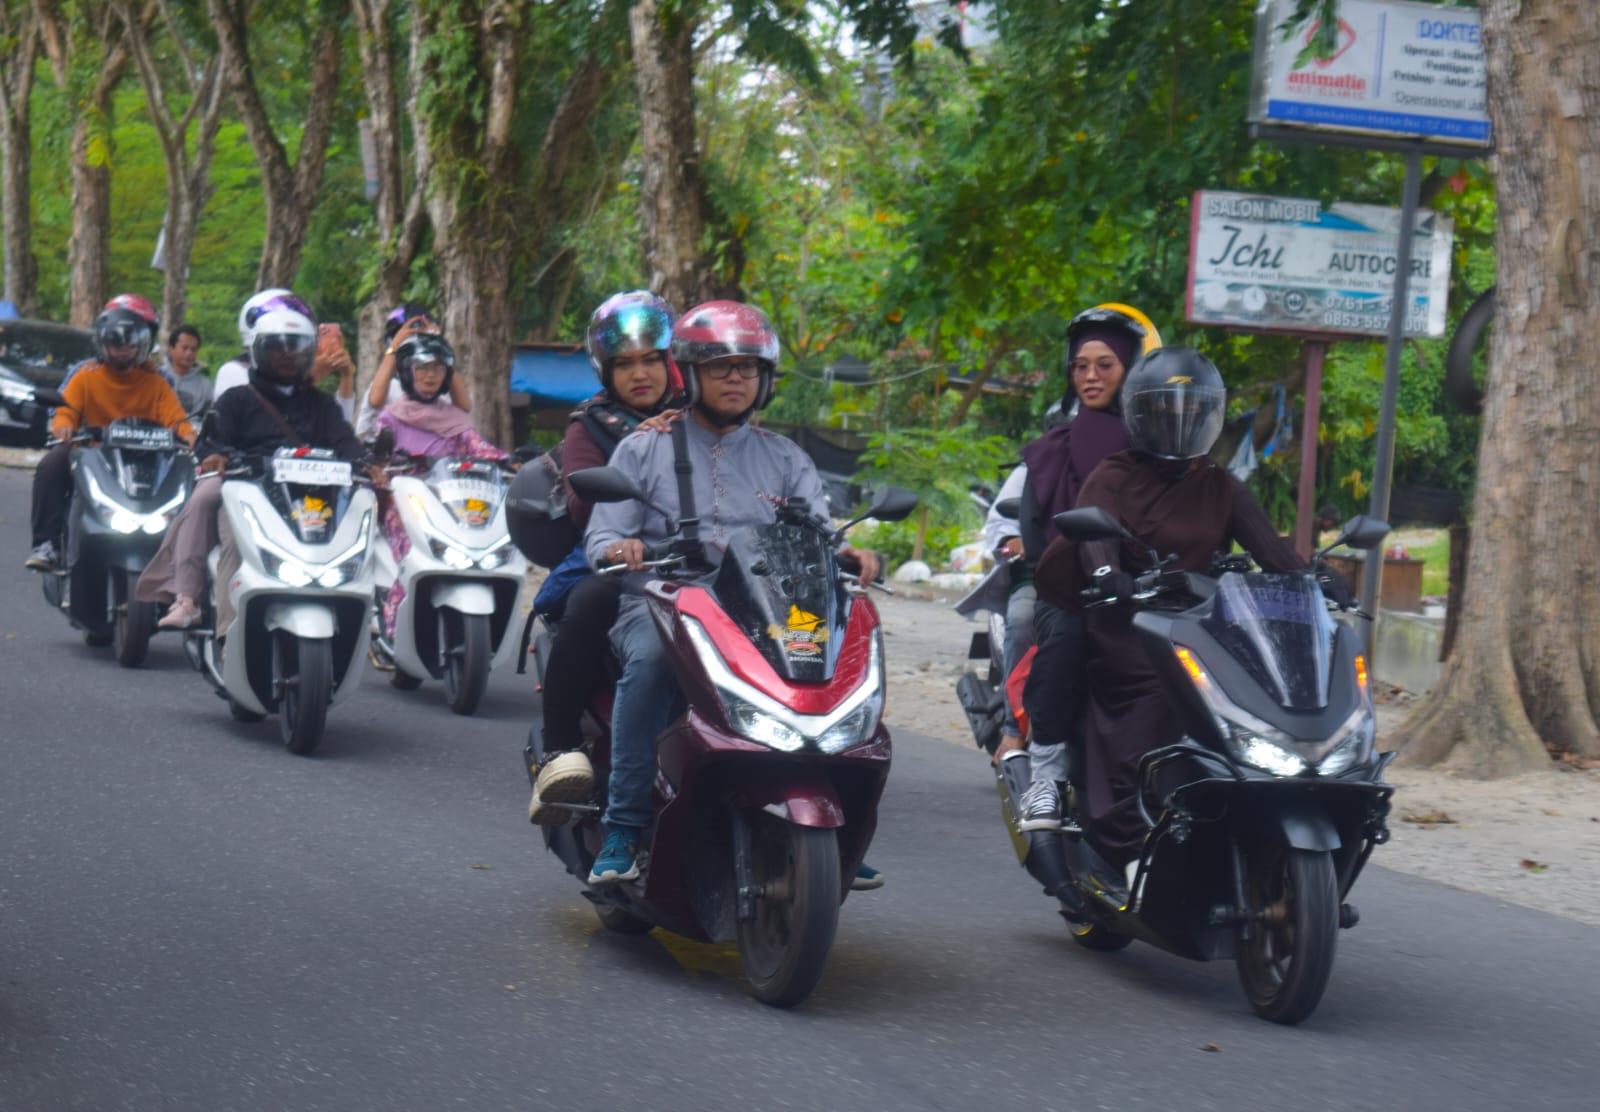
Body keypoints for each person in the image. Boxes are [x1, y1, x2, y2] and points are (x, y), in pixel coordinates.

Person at [580, 300, 881, 886]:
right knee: (649, 665)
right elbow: (601, 537)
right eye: (720, 368)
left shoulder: (786, 458)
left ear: (765, 379)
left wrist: (848, 552)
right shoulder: (643, 448)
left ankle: (838, 822)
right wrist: (623, 548)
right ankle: (624, 826)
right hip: (666, 602)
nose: (735, 379)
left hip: (764, 610)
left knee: (841, 667)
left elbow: (818, 533)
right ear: (691, 375)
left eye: (748, 368)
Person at [1032, 347, 1346, 880]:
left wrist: (1315, 578)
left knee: (1254, 689)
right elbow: (1095, 538)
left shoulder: (1220, 484)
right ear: (1138, 415)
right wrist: (1110, 574)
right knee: (1152, 690)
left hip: (1200, 622)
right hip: (1127, 617)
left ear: (1210, 416)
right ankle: (1119, 825)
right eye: (1163, 410)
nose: (1178, 422)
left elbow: (1273, 552)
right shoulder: (1113, 475)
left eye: (1192, 410)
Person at [527, 291, 682, 824]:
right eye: (624, 364)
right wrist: (636, 448)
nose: (639, 374)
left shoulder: (703, 413)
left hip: (701, 558)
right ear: (606, 370)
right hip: (618, 557)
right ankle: (559, 750)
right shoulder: (590, 425)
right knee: (591, 599)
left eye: (651, 360)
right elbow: (580, 503)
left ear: (672, 361)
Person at [1012, 305, 1159, 830]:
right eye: (1080, 367)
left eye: (1105, 365)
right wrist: (1089, 573)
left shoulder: (1160, 444)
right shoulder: (1054, 447)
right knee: (1068, 638)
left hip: (1151, 587)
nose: (1090, 377)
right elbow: (1035, 534)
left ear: (1132, 371)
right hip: (1070, 590)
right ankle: (1046, 777)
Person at [137, 304, 366, 632]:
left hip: (307, 493)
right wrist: (218, 455)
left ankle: (364, 605)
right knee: (213, 508)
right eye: (277, 348)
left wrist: (368, 463)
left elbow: (345, 441)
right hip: (245, 485)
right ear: (258, 351)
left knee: (361, 510)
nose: (287, 356)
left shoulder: (322, 404)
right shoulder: (236, 399)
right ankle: (198, 607)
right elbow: (209, 440)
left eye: (296, 348)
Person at [26, 294, 193, 572]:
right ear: (102, 343)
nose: (123, 351)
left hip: (146, 459)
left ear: (142, 344)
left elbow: (176, 419)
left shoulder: (157, 381)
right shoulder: (85, 375)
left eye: (129, 345)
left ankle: (185, 559)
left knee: (187, 474)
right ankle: (47, 544)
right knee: (52, 463)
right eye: (116, 345)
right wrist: (64, 425)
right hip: (91, 454)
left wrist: (188, 435)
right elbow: (66, 410)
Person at [370, 333, 506, 645]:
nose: (430, 375)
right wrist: (379, 466)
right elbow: (379, 456)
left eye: (438, 368)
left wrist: (510, 462)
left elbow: (480, 448)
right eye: (422, 368)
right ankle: (393, 626)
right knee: (409, 553)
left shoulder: (457, 419)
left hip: (451, 504)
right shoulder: (391, 417)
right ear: (407, 373)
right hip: (405, 505)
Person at [214, 290, 357, 422]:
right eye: (276, 345)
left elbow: (340, 426)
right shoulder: (233, 370)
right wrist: (313, 376)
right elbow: (264, 420)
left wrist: (346, 377)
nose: (288, 353)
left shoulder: (301, 375)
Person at [357, 303, 471, 437]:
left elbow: (464, 407)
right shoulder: (390, 386)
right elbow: (375, 401)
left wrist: (439, 348)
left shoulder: (436, 386)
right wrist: (395, 347)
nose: (430, 374)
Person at [161, 324, 211, 416]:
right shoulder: (157, 377)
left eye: (193, 349)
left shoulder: (204, 386)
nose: (189, 353)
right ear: (171, 349)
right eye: (185, 348)